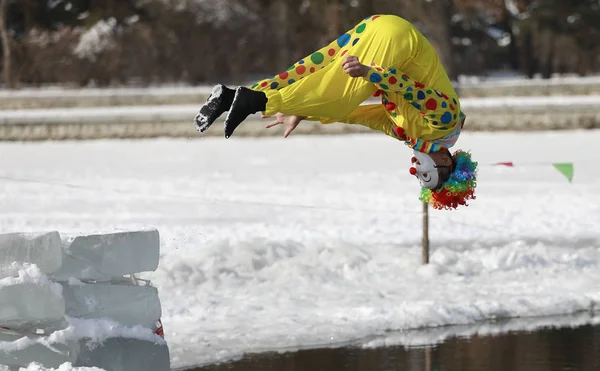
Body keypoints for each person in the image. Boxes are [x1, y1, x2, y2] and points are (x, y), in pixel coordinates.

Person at [193, 14, 478, 210]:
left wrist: (304, 112)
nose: (419, 170)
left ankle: (234, 96)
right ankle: (256, 102)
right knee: (340, 94)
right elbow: (413, 90)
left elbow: (353, 115)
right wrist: (370, 73)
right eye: (431, 174)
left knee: (309, 70)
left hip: (378, 29)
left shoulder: (407, 133)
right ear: (447, 162)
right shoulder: (447, 121)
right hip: (398, 42)